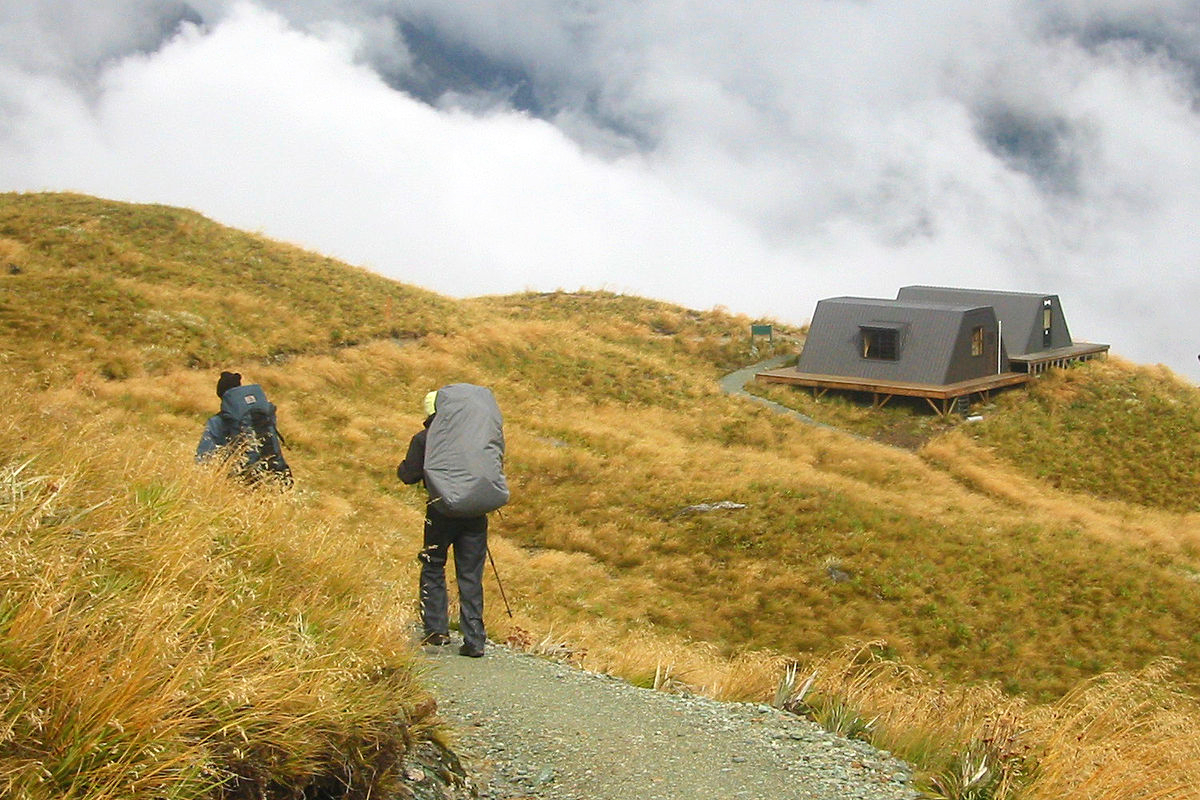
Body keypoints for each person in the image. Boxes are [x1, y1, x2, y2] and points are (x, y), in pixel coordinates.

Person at [397, 390, 490, 658]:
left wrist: (402, 468)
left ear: (430, 413)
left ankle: (436, 631)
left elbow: (409, 475)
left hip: (440, 511)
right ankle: (475, 640)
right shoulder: (474, 437)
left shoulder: (424, 439)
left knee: (434, 563)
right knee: (470, 574)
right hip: (475, 513)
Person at [196, 371, 292, 485]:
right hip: (274, 472)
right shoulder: (264, 413)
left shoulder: (218, 421)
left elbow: (205, 455)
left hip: (242, 479)